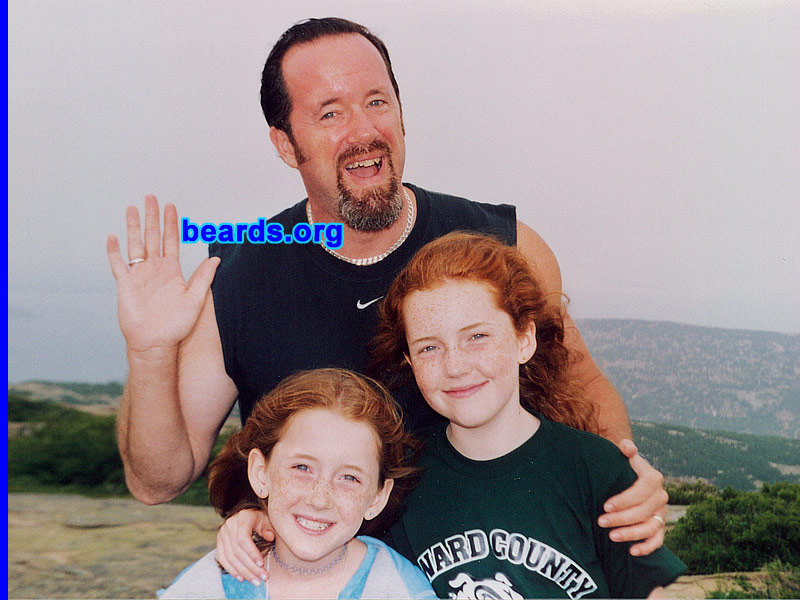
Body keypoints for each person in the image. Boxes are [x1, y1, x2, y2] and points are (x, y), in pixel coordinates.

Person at [106, 16, 667, 572]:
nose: (362, 132)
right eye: (330, 113)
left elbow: (581, 390)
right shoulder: (235, 279)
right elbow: (157, 481)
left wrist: (628, 476)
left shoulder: (505, 246)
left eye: (377, 102)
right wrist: (151, 353)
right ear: (285, 144)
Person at [371, 232, 686, 598]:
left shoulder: (595, 468)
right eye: (429, 348)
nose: (454, 366)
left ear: (525, 340)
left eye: (477, 337)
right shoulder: (400, 479)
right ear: (409, 361)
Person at [159, 368, 436, 599]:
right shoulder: (207, 585)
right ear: (259, 472)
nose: (319, 499)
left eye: (349, 478)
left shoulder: (400, 590)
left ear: (377, 497)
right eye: (302, 467)